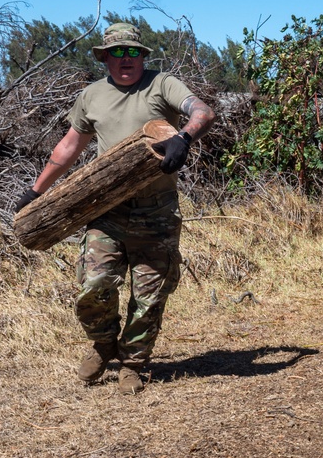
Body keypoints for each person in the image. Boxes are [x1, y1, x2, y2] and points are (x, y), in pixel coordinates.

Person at [14, 22, 215, 395]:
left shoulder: (162, 84)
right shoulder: (92, 95)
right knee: (93, 286)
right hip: (106, 210)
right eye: (117, 52)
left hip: (156, 212)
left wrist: (184, 138)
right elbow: (70, 146)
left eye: (133, 52)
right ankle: (104, 345)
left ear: (143, 55)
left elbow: (201, 111)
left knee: (150, 296)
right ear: (105, 58)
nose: (126, 59)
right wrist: (36, 190)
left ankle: (133, 364)